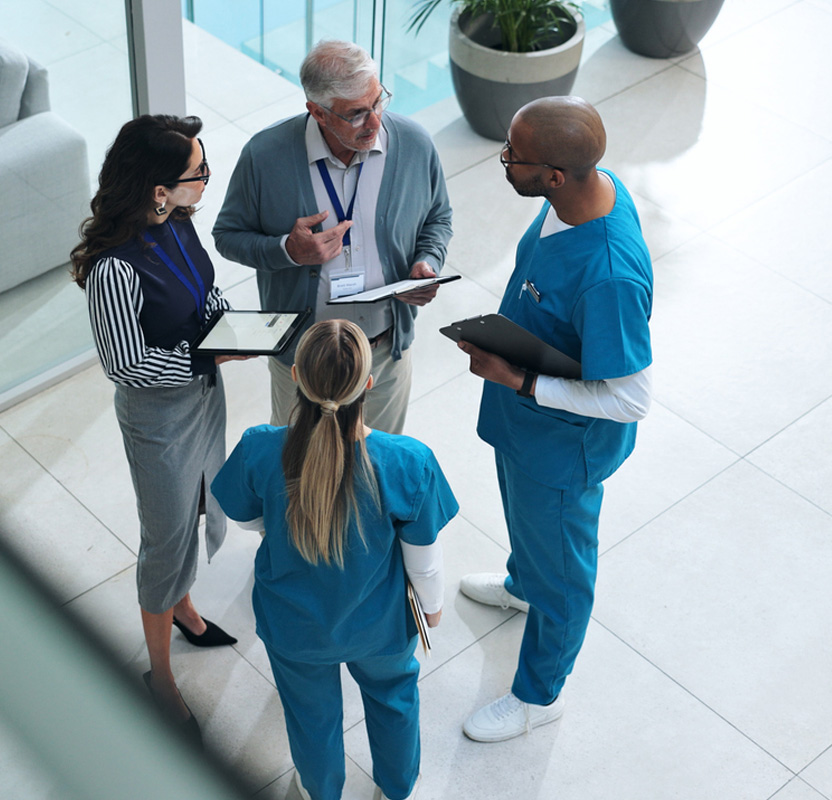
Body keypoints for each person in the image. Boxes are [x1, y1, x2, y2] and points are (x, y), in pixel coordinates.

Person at [455, 97, 654, 742]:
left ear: (556, 177)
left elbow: (630, 398)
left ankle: (540, 695)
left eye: (514, 156)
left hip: (561, 448)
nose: (504, 161)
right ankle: (522, 584)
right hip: (523, 419)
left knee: (564, 577)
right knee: (524, 525)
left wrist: (522, 380)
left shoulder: (611, 274)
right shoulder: (578, 194)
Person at [211, 320, 458, 800]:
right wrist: (430, 608)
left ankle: (321, 791)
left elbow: (244, 520)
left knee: (311, 716)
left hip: (295, 627)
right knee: (394, 702)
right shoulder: (409, 460)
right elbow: (424, 560)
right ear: (369, 384)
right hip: (381, 627)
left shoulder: (259, 447)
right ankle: (397, 787)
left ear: (297, 376)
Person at [70, 115, 245, 745]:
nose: (205, 180)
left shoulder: (178, 223)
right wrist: (209, 356)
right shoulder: (113, 268)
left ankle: (183, 607)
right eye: (197, 172)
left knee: (200, 502)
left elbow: (205, 297)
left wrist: (234, 328)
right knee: (166, 538)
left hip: (202, 394)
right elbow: (127, 365)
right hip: (161, 416)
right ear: (157, 189)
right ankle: (161, 677)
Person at [212, 39, 452, 435]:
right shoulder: (264, 155)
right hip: (300, 358)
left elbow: (438, 216)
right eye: (356, 114)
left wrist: (427, 261)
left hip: (384, 355)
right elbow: (227, 236)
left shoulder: (412, 143)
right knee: (297, 471)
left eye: (378, 102)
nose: (374, 122)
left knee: (376, 470)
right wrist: (287, 251)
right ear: (317, 113)